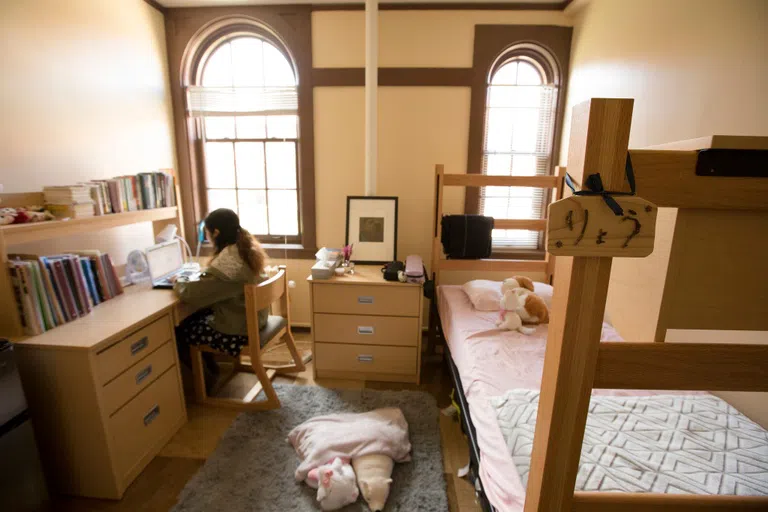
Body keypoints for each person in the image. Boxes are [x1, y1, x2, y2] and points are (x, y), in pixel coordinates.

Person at [174, 208, 268, 380]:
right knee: (200, 314)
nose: (208, 238)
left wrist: (178, 282)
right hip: (254, 318)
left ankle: (207, 382)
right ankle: (212, 371)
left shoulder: (228, 264)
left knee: (182, 329)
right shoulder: (244, 248)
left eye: (208, 233)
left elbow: (191, 294)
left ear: (216, 233)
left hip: (240, 328)